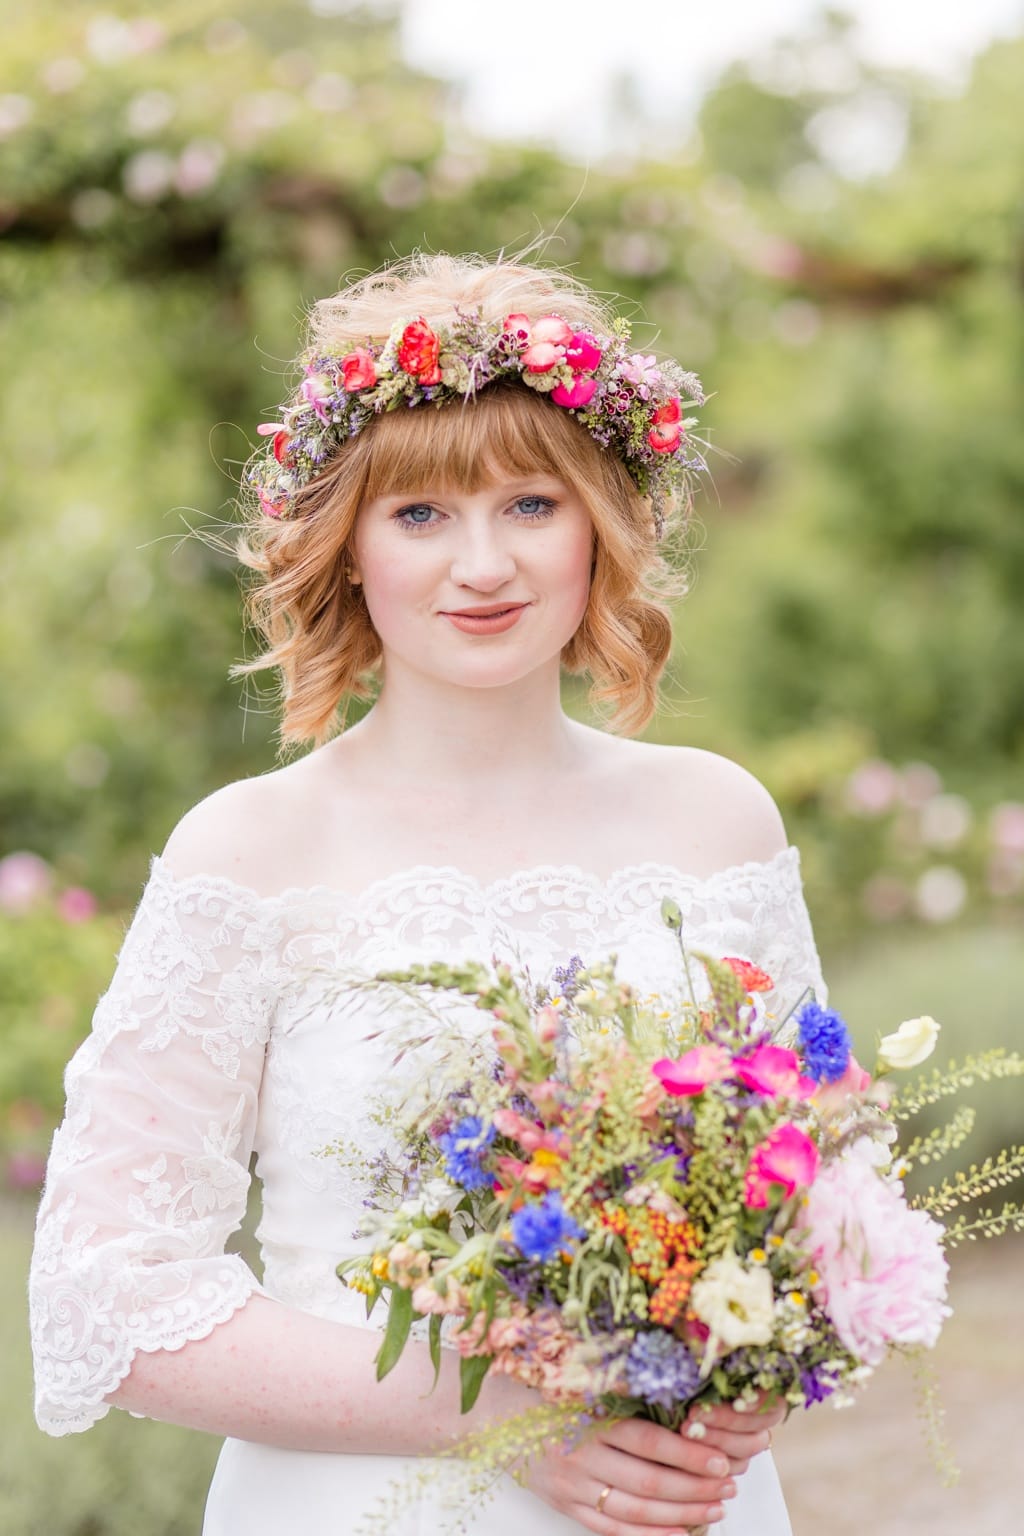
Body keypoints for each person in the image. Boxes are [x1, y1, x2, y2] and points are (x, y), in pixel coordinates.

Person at [29, 253, 829, 1536]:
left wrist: (742, 1384)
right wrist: (496, 1411)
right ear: (344, 546)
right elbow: (103, 1292)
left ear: (598, 524)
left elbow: (816, 1202)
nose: (483, 566)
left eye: (529, 503)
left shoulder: (716, 820)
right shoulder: (248, 851)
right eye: (418, 516)